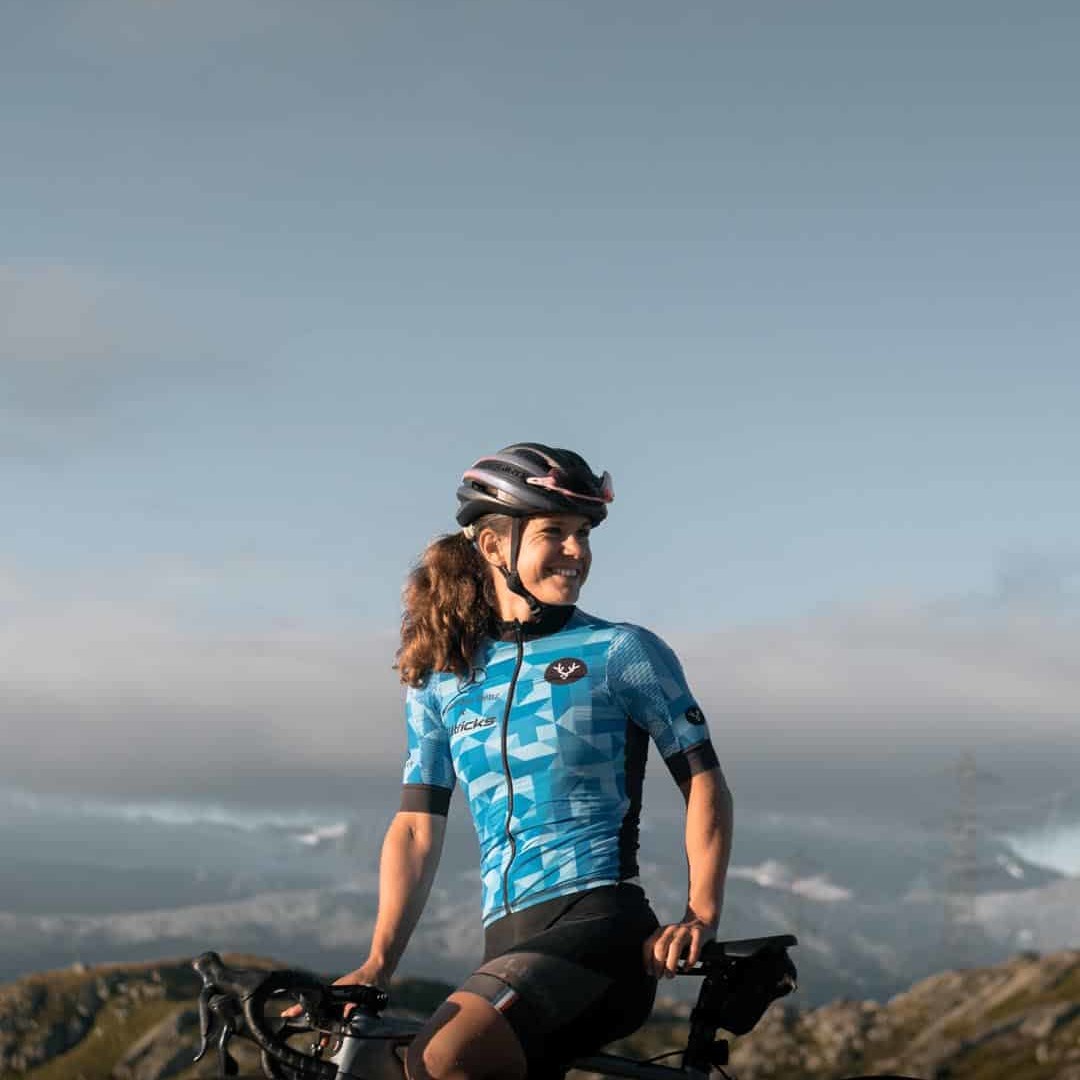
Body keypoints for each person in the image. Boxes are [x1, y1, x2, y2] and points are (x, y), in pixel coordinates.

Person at [337, 443, 733, 1080]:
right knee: (384, 1064)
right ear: (493, 546)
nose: (577, 552)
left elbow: (705, 784)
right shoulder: (444, 678)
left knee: (444, 1056)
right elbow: (415, 828)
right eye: (557, 533)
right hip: (507, 942)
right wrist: (378, 964)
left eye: (583, 535)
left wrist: (701, 915)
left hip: (600, 932)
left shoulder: (620, 651)